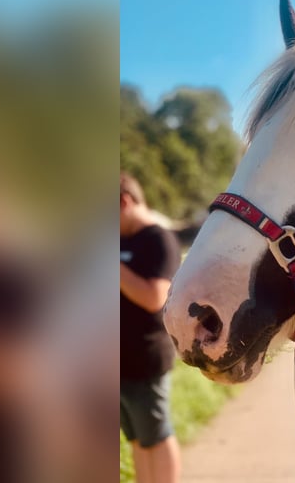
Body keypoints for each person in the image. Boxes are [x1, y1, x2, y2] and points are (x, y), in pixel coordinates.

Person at [120, 172, 181, 483]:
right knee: (137, 439)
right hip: (116, 363)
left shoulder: (159, 240)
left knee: (157, 435)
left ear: (125, 201)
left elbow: (154, 298)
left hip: (146, 359)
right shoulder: (121, 240)